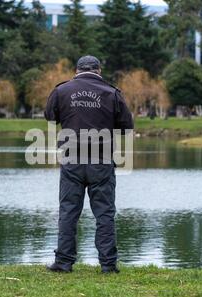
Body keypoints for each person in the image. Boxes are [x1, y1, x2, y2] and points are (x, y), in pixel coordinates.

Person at [44, 55, 133, 274]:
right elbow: (127, 126)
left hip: (72, 160)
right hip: (101, 161)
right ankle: (108, 265)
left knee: (68, 212)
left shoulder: (62, 91)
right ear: (99, 71)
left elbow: (50, 116)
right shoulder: (112, 93)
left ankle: (64, 263)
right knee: (104, 214)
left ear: (76, 71)